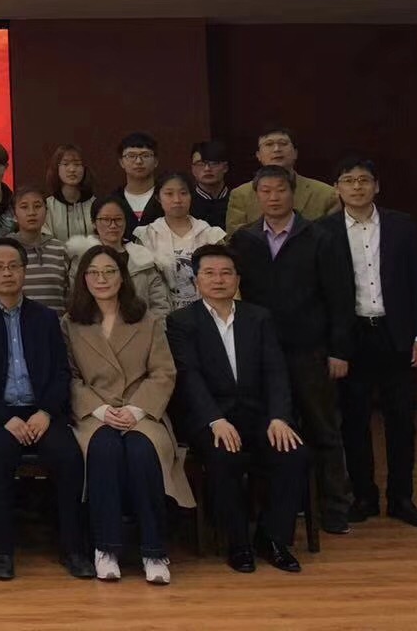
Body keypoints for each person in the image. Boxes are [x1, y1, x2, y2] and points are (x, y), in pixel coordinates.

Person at [166, 245, 309, 574]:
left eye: (226, 273)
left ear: (237, 279)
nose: (218, 280)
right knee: (224, 456)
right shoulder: (181, 322)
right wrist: (214, 419)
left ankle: (272, 538)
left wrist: (279, 417)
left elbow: (276, 371)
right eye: (209, 273)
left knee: (292, 454)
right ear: (197, 280)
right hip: (210, 417)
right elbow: (189, 377)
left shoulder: (258, 317)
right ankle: (237, 542)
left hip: (259, 414)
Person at [229, 166, 353, 534]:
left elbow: (340, 298)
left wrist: (339, 350)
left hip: (310, 350)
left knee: (323, 428)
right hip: (261, 353)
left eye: (280, 190)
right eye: (265, 191)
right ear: (257, 196)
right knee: (269, 427)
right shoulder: (244, 240)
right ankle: (274, 504)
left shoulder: (320, 237)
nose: (273, 197)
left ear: (293, 193)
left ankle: (335, 507)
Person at [63, 246, 192, 585]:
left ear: (123, 277)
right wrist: (101, 409)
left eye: (109, 271)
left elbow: (163, 372)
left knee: (141, 450)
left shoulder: (147, 321)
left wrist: (136, 410)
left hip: (143, 411)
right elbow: (70, 376)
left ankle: (154, 550)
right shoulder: (70, 323)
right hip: (95, 413)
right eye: (93, 273)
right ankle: (106, 548)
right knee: (104, 449)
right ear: (83, 279)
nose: (102, 279)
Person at [318, 156, 417, 529]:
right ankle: (364, 496)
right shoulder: (323, 231)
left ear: (376, 186)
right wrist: (333, 347)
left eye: (364, 180)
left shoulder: (402, 226)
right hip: (351, 336)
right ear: (336, 188)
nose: (357, 187)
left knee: (401, 420)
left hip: (394, 333)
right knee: (354, 421)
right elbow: (321, 294)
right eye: (348, 180)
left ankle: (401, 498)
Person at [0, 239, 91, 581]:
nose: (7, 273)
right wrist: (5, 418)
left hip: (41, 412)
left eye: (14, 266)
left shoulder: (46, 318)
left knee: (69, 456)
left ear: (24, 271)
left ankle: (73, 549)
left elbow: (61, 372)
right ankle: (2, 552)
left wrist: (46, 412)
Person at [133, 172, 227, 312]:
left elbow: (226, 277)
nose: (177, 200)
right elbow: (142, 284)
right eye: (169, 194)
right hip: (162, 314)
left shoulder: (210, 235)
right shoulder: (147, 236)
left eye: (183, 193)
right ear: (158, 197)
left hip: (209, 313)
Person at [65, 196, 169, 316]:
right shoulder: (83, 258)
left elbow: (160, 303)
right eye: (106, 219)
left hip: (140, 325)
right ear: (93, 223)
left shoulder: (143, 258)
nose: (113, 225)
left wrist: (152, 325)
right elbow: (75, 299)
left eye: (118, 219)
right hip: (95, 325)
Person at [225, 127, 340, 236]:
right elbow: (234, 237)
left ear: (295, 153)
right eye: (269, 144)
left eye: (283, 144)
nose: (277, 149)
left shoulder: (326, 194)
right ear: (258, 155)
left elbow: (333, 237)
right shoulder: (240, 194)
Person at [4, 185, 72, 314]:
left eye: (37, 206)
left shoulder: (59, 248)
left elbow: (68, 296)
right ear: (14, 214)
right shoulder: (5, 249)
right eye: (24, 207)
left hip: (55, 324)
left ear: (46, 211)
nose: (32, 212)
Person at [111, 132, 164, 241]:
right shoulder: (113, 200)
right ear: (121, 162)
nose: (139, 161)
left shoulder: (168, 197)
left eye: (145, 155)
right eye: (131, 156)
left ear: (156, 161)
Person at [44, 144, 95, 241]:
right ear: (56, 168)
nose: (72, 169)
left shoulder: (96, 205)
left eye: (77, 164)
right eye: (66, 164)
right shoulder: (47, 207)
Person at [189, 140, 231, 230]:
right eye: (200, 164)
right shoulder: (186, 202)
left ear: (225, 167)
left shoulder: (238, 198)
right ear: (193, 169)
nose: (207, 169)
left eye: (214, 163)